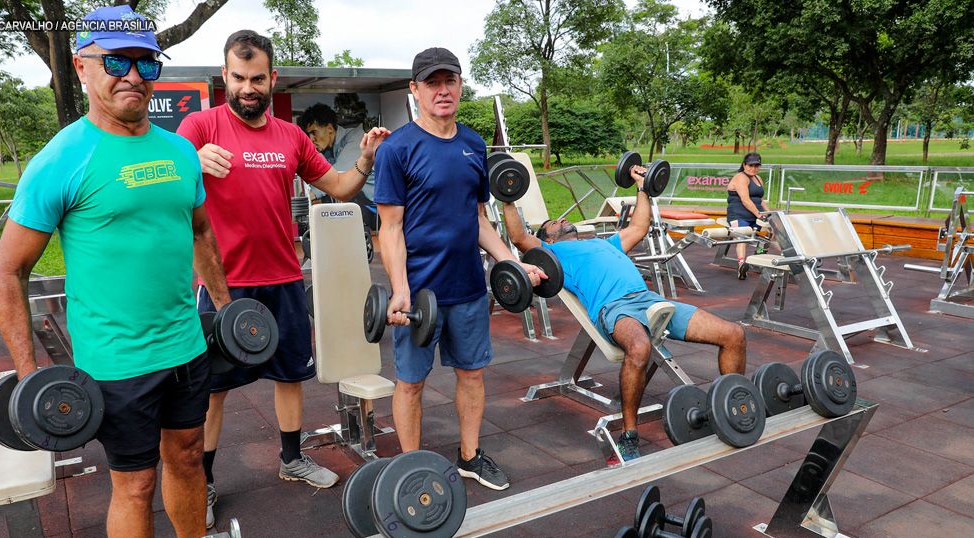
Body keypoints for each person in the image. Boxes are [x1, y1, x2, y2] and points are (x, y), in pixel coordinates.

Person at [0, 7, 238, 538]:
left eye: (145, 62)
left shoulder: (180, 153)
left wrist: (228, 307)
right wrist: (29, 378)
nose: (133, 75)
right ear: (82, 65)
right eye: (116, 62)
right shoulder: (62, 158)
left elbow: (202, 232)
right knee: (133, 485)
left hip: (185, 346)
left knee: (188, 458)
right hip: (115, 362)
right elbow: (8, 274)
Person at [176, 30, 389, 528]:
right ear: (223, 77)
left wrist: (364, 159)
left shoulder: (291, 137)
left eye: (257, 79)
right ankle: (205, 481)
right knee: (213, 388)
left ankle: (292, 458)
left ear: (272, 79)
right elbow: (162, 177)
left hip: (283, 277)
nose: (248, 88)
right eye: (238, 78)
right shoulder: (199, 127)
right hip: (223, 284)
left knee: (292, 374)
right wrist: (188, 161)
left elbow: (338, 187)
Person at [372, 47, 546, 491]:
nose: (442, 90)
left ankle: (469, 456)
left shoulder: (473, 144)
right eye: (432, 83)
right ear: (415, 91)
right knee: (410, 382)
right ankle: (410, 469)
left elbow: (477, 219)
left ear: (461, 87)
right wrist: (399, 288)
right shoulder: (396, 150)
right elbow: (389, 229)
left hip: (467, 287)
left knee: (472, 374)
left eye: (450, 81)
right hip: (418, 295)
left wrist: (512, 261)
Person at [500, 164, 747, 462]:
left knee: (734, 334)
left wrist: (642, 187)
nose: (563, 219)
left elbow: (638, 228)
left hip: (650, 300)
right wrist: (507, 195)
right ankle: (629, 434)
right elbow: (518, 238)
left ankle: (732, 407)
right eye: (554, 221)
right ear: (548, 239)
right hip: (614, 308)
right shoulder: (553, 255)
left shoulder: (607, 244)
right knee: (640, 348)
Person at [297, 102, 378, 225]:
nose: (311, 139)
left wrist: (307, 197)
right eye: (308, 135)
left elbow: (337, 177)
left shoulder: (356, 138)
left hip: (379, 209)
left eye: (314, 132)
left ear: (330, 129)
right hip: (365, 207)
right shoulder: (329, 150)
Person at [726, 151, 771, 279]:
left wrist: (769, 215)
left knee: (771, 229)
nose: (753, 168)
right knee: (743, 236)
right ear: (744, 165)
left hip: (755, 215)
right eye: (750, 165)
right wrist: (759, 215)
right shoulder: (740, 177)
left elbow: (761, 200)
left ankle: (759, 254)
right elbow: (745, 200)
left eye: (756, 166)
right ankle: (741, 264)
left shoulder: (758, 178)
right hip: (739, 215)